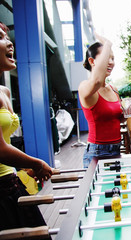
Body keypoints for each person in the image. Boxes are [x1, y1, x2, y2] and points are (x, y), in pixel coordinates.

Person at [0, 22, 53, 231]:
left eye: (7, 36)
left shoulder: (4, 91)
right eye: (1, 37)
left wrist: (23, 166)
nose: (9, 42)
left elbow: (6, 143)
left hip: (11, 183)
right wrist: (38, 163)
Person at [79, 34, 131, 168]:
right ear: (92, 61)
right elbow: (97, 80)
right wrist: (108, 43)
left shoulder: (113, 89)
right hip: (97, 151)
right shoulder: (85, 87)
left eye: (113, 58)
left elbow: (118, 120)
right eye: (106, 57)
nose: (110, 62)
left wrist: (128, 113)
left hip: (116, 148)